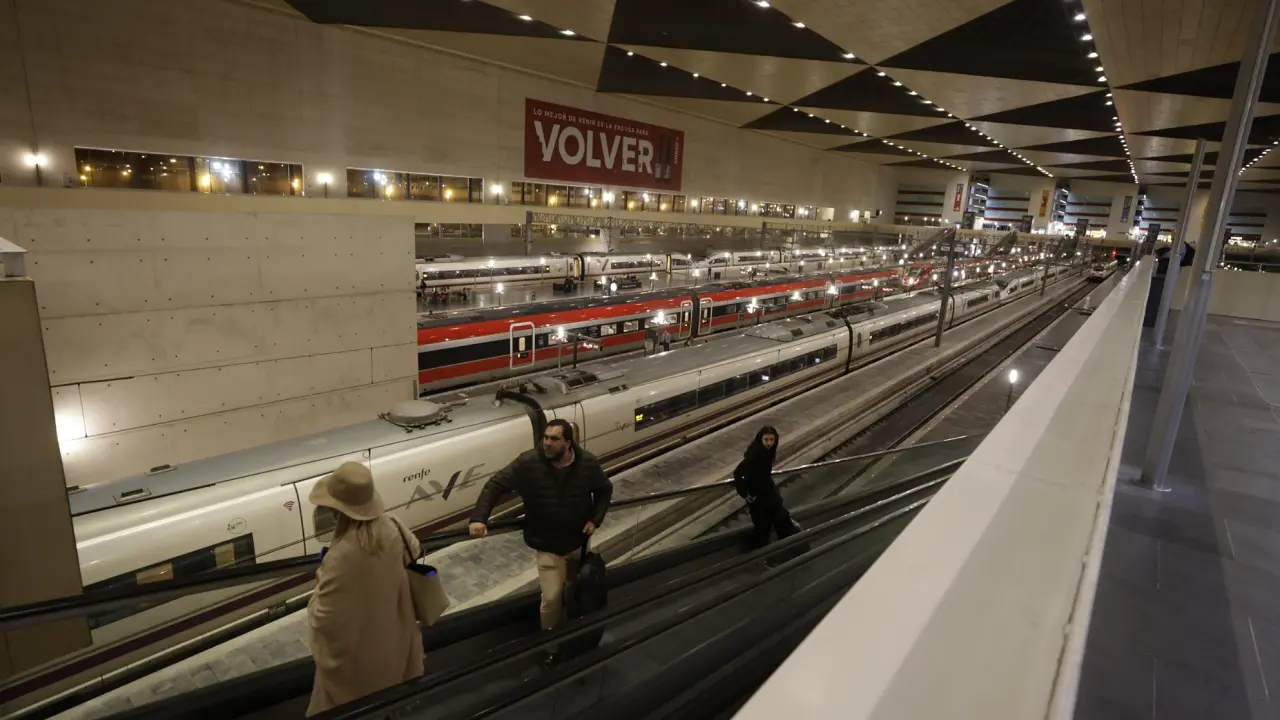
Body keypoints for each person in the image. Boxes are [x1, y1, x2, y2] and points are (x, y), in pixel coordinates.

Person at [469, 420, 612, 657]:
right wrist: (479, 518)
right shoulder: (529, 462)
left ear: (568, 443)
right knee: (552, 598)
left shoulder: (587, 463)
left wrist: (595, 519)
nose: (547, 443)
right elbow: (496, 484)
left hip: (578, 542)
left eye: (554, 439)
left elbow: (604, 489)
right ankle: (551, 648)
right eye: (546, 437)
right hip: (547, 545)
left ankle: (573, 635)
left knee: (574, 591)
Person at [306, 462, 424, 717]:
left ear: (338, 511)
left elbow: (323, 617)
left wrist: (319, 583)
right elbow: (414, 549)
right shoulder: (393, 526)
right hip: (393, 641)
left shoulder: (340, 555)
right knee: (388, 703)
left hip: (357, 661)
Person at [733, 426, 799, 548]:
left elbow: (764, 476)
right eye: (766, 440)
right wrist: (745, 493)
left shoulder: (767, 452)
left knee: (777, 520)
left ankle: (781, 547)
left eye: (771, 440)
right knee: (766, 526)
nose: (769, 443)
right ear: (761, 439)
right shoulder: (755, 454)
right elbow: (738, 473)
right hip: (757, 497)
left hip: (766, 494)